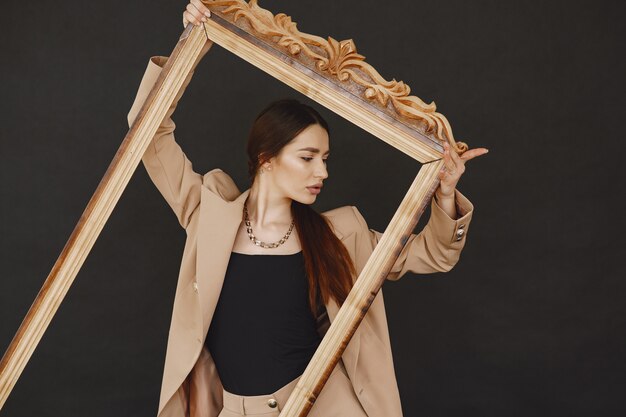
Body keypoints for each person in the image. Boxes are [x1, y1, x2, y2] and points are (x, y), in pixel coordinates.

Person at [127, 2, 488, 416]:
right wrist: (191, 44)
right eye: (308, 157)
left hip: (324, 406)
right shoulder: (207, 211)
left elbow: (433, 254)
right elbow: (148, 132)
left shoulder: (341, 233)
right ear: (266, 157)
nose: (322, 171)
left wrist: (444, 195)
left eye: (326, 158)